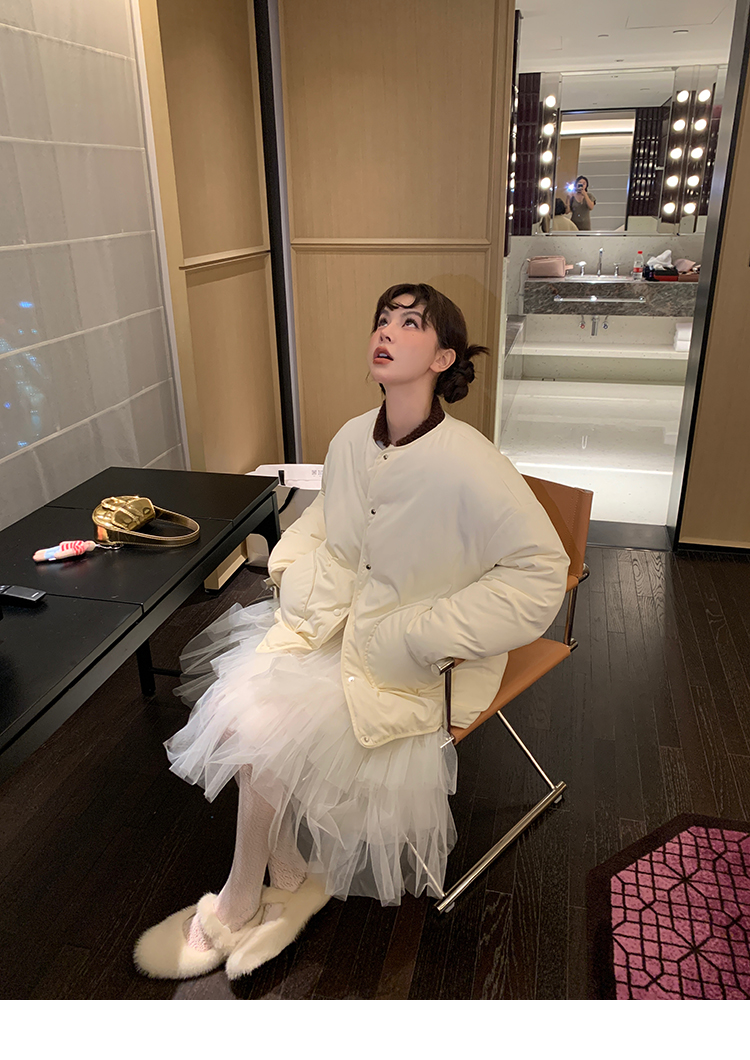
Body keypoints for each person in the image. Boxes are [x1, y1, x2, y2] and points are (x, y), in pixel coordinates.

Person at [134, 283, 569, 981]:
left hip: (413, 660)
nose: (386, 331)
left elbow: (541, 572)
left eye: (410, 323)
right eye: (382, 319)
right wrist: (292, 574)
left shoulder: (470, 460)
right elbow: (320, 523)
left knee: (265, 726)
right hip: (333, 626)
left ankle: (239, 900)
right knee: (247, 706)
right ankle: (286, 870)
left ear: (444, 357)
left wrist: (423, 632)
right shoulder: (349, 438)